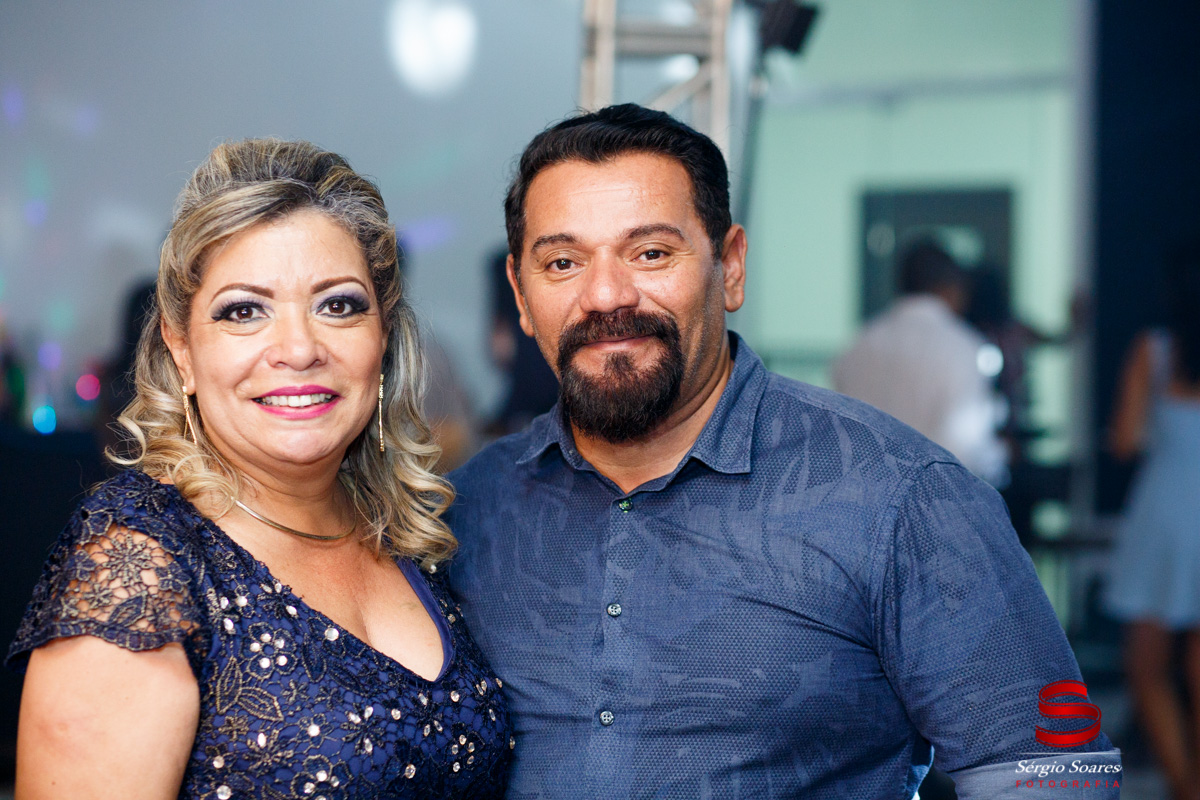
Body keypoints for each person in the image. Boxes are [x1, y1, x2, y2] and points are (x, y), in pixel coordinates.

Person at [444, 104, 1120, 799]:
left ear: (731, 267)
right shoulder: (466, 514)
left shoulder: (903, 499)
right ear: (521, 296)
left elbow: (1055, 779)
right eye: (563, 262)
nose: (606, 295)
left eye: (651, 253)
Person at [7, 139, 513, 799]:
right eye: (244, 311)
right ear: (182, 351)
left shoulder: (408, 534)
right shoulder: (143, 556)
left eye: (338, 305)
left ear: (383, 337)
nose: (298, 349)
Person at [1105, 244, 1200, 800]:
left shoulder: (1155, 350)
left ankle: (1182, 783)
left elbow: (1124, 440)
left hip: (1165, 512)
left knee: (1145, 665)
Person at [833, 240, 1007, 486]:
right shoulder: (963, 347)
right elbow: (968, 446)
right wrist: (1001, 456)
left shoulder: (859, 344)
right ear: (951, 287)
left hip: (864, 492)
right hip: (938, 494)